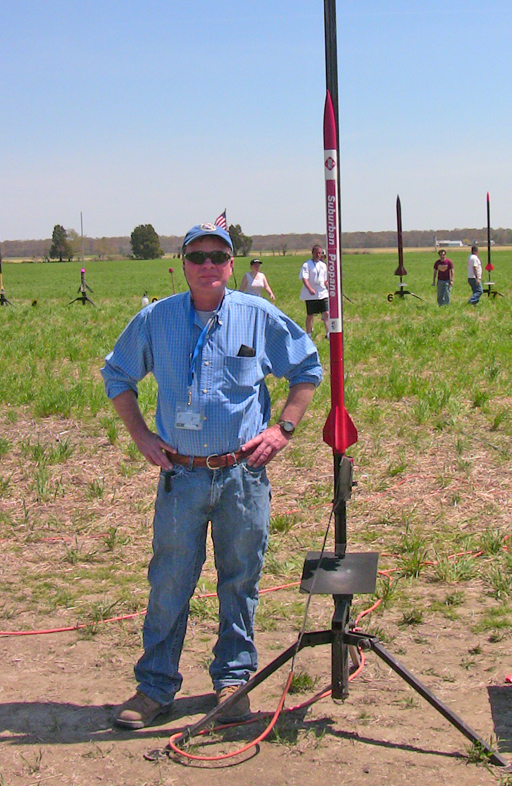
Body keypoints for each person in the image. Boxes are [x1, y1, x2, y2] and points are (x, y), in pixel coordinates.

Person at [102, 222, 322, 729]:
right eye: (196, 256)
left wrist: (283, 428)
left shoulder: (257, 315)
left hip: (242, 477)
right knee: (170, 581)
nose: (207, 265)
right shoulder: (156, 320)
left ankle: (234, 681)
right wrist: (140, 436)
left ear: (230, 265)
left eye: (217, 257)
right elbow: (118, 375)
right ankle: (155, 687)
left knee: (240, 580)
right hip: (182, 477)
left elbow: (306, 368)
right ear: (183, 264)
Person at [299, 244, 329, 338]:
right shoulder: (307, 265)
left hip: (322, 293)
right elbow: (304, 278)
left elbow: (325, 279)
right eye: (316, 253)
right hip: (311, 295)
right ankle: (308, 333)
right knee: (310, 315)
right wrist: (309, 289)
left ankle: (328, 333)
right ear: (312, 253)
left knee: (326, 313)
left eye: (319, 253)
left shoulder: (323, 265)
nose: (318, 255)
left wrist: (327, 284)